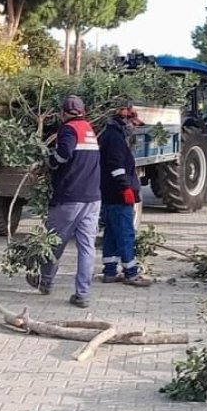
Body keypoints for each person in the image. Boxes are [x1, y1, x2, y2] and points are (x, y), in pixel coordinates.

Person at [31, 95, 102, 308]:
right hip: (93, 198)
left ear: (63, 113)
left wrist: (50, 162)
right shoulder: (89, 129)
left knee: (54, 242)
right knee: (87, 248)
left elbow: (64, 153)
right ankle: (82, 294)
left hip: (70, 198)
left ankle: (45, 281)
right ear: (83, 111)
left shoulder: (69, 129)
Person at [98, 102, 152, 287]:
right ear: (124, 120)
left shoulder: (110, 136)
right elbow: (116, 166)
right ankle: (130, 273)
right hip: (118, 195)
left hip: (110, 194)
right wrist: (125, 188)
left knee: (111, 234)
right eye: (133, 121)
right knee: (125, 234)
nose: (135, 126)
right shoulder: (115, 139)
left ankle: (110, 271)